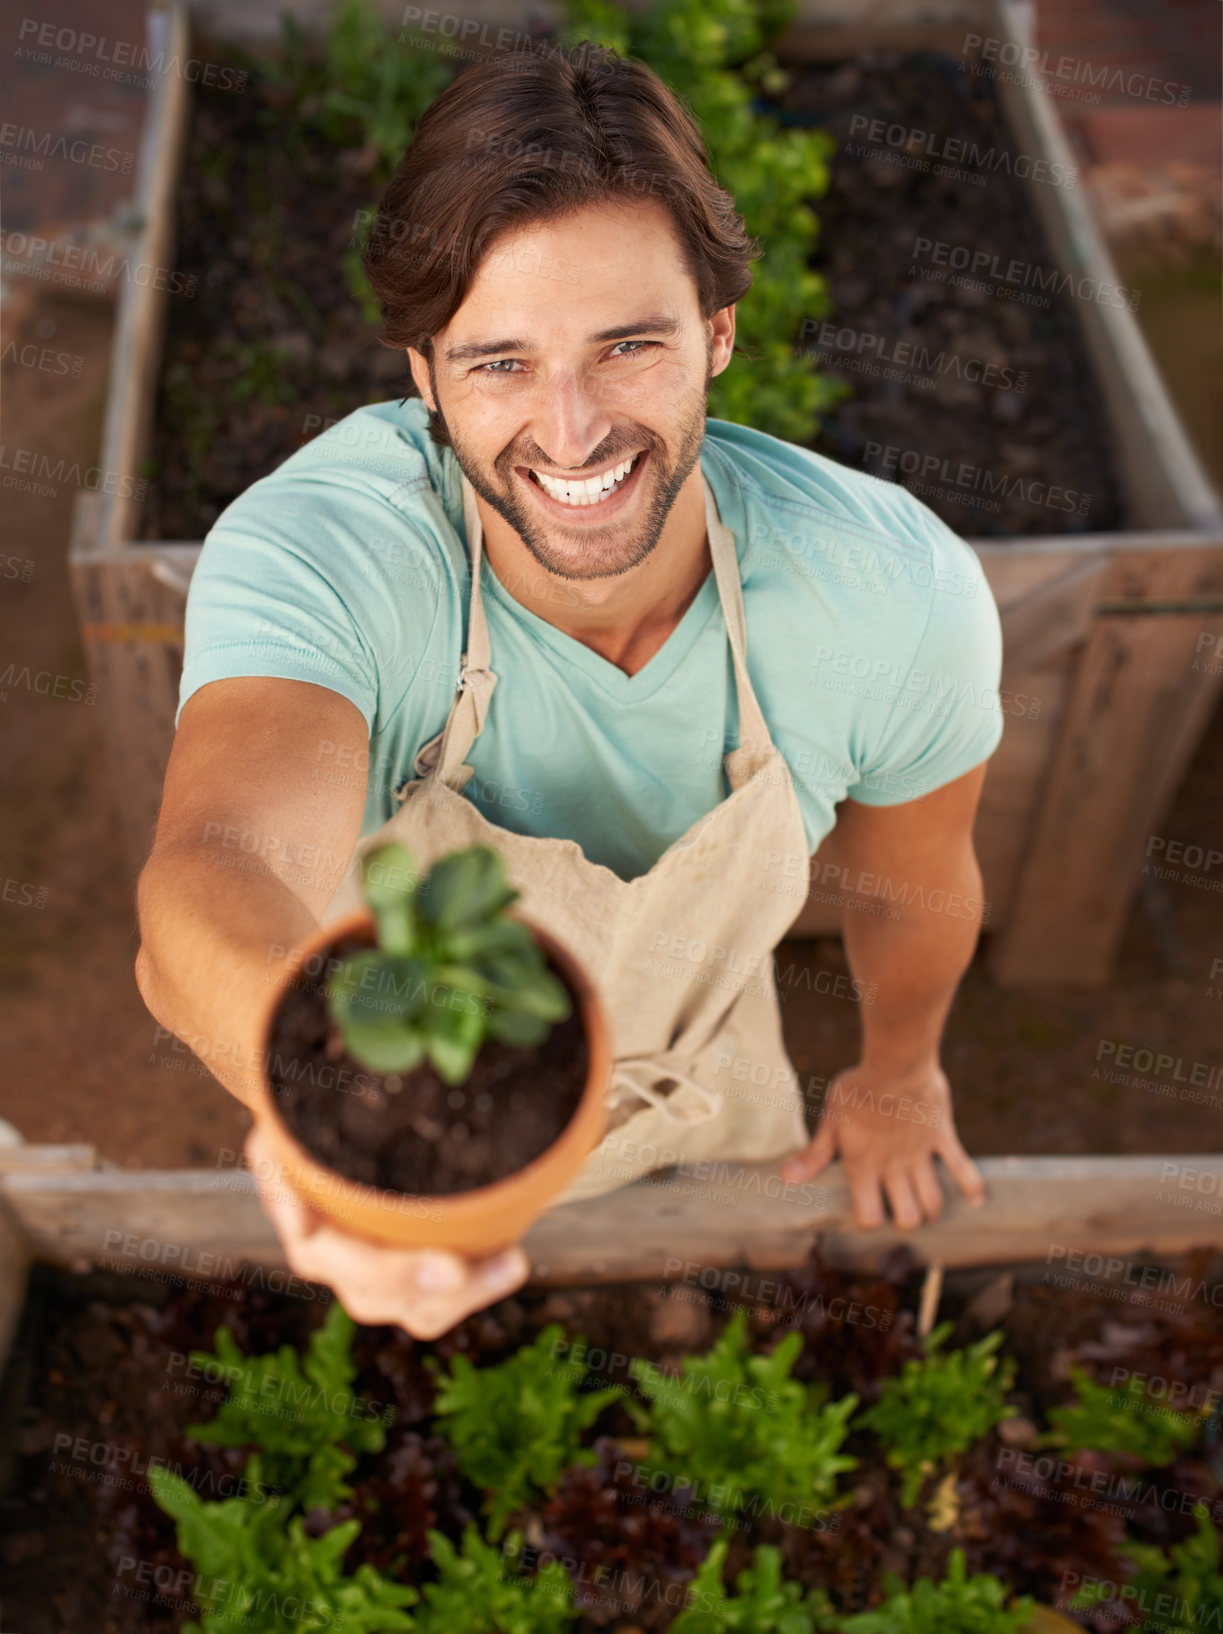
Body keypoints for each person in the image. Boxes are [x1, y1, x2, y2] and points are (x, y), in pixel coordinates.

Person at [135, 40, 1002, 1340]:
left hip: (706, 1090)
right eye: (499, 364)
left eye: (628, 346)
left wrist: (896, 1076)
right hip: (412, 1115)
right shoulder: (326, 557)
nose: (575, 428)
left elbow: (919, 875)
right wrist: (317, 1119)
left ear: (716, 335)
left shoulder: (887, 591)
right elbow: (211, 872)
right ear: (421, 374)